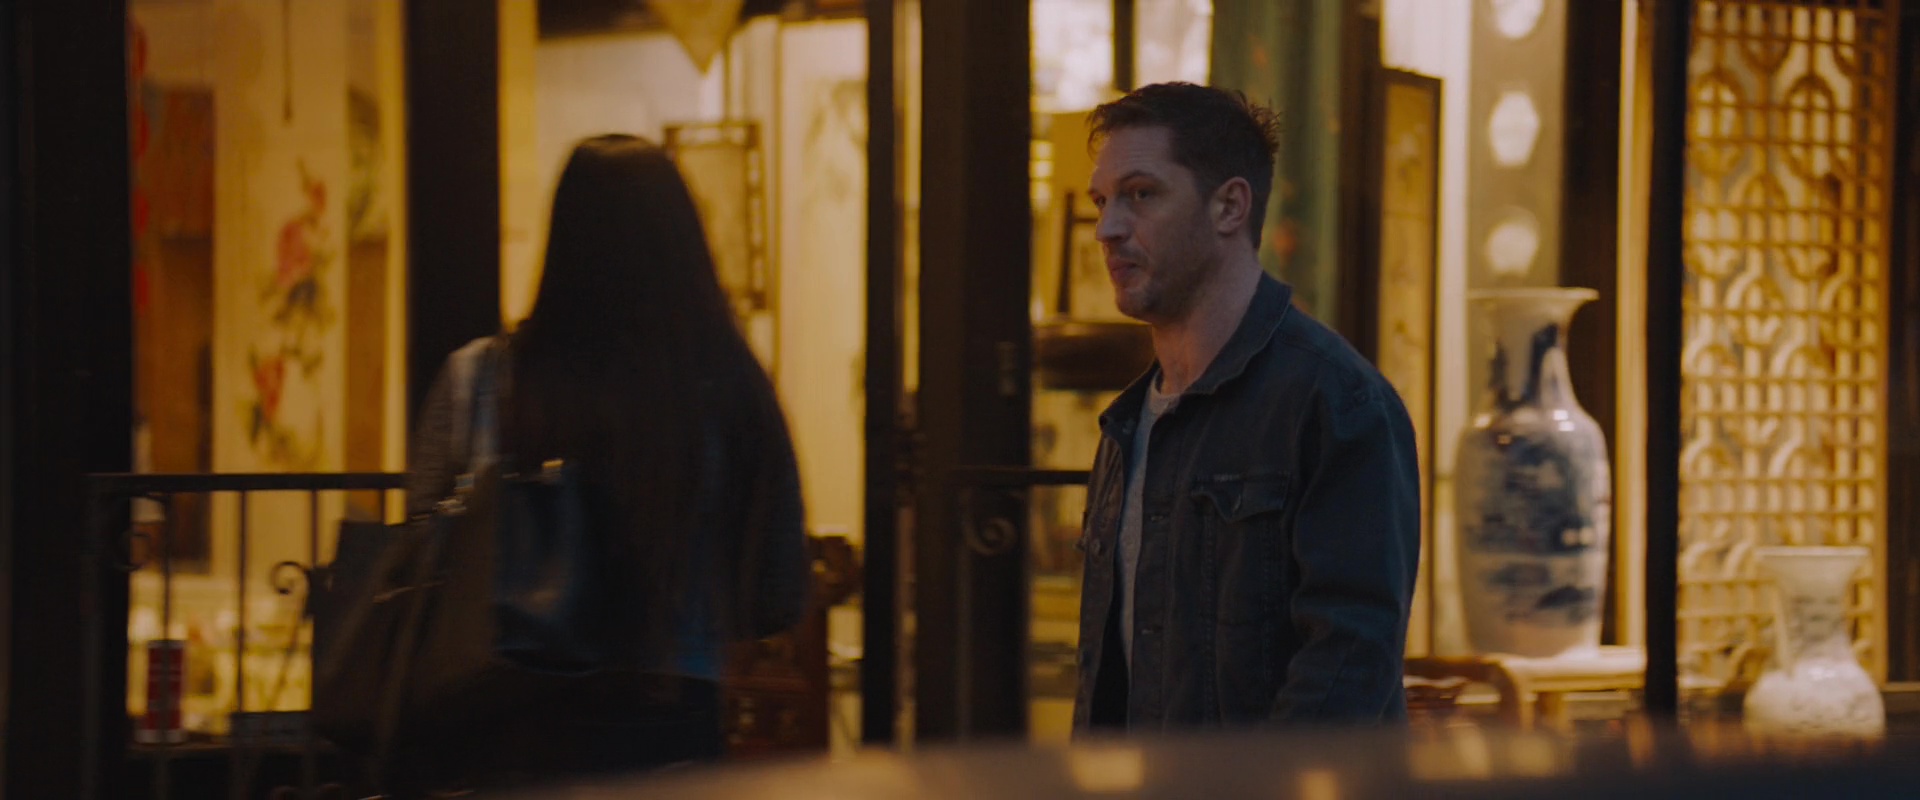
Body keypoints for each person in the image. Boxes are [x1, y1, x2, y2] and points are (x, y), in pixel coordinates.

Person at [403, 134, 810, 790]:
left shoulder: (478, 380)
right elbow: (778, 591)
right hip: (674, 718)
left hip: (507, 720)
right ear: (685, 244)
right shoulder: (731, 389)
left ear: (562, 242)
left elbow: (421, 562)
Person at [1073, 83, 1421, 733]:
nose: (1108, 228)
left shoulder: (1335, 402)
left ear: (1230, 206)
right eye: (1102, 201)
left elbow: (1347, 669)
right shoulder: (1129, 422)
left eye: (1141, 195)